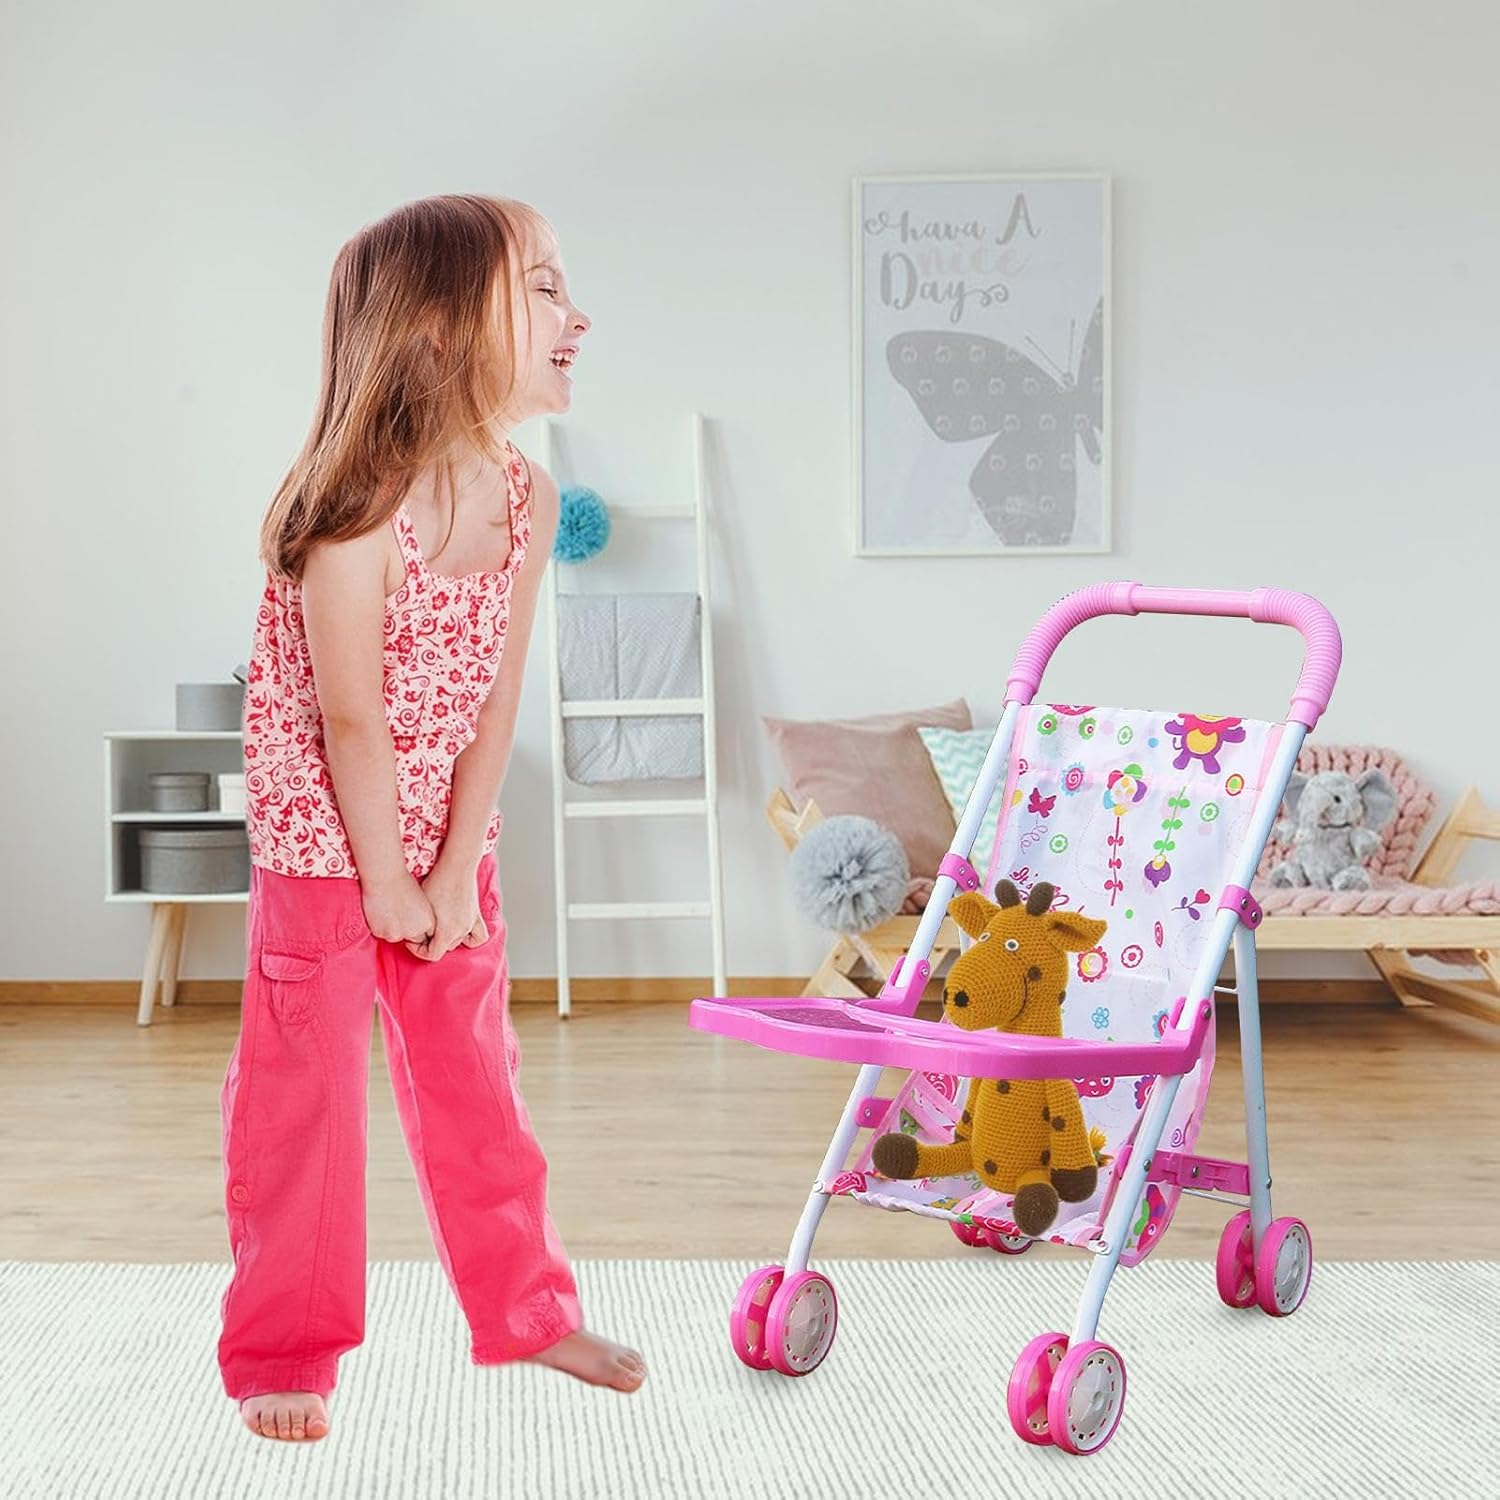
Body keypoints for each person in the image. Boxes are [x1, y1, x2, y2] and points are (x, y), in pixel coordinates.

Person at [219, 194, 644, 1443]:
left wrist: (455, 870)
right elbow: (351, 722)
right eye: (546, 287)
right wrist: (386, 882)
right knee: (303, 1107)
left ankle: (528, 1311)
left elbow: (497, 698)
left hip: (444, 843)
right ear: (446, 328)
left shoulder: (528, 495)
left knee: (476, 1085)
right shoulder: (354, 511)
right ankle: (287, 1351)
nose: (579, 315)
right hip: (323, 848)